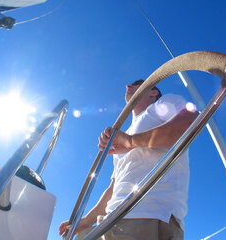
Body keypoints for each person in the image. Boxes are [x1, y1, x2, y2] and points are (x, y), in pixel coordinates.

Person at [59, 79, 198, 240]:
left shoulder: (165, 103)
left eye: (136, 83)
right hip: (110, 220)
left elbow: (189, 122)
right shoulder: (125, 134)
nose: (127, 85)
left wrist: (130, 142)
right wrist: (85, 221)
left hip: (148, 215)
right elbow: (114, 187)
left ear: (153, 93)